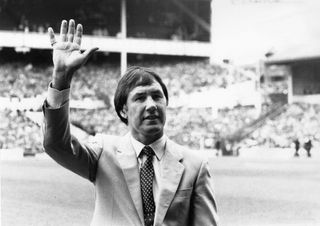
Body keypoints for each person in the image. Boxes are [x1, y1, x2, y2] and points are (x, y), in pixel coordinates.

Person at [42, 19, 219, 226]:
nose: (151, 104)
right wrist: (61, 76)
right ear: (123, 110)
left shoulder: (195, 166)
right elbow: (55, 144)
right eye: (140, 98)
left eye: (157, 96)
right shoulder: (102, 153)